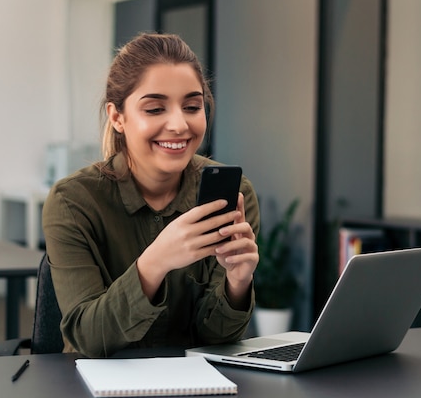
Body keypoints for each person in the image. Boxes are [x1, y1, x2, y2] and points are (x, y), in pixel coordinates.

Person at [42, 33, 260, 358]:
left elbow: (215, 340)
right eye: (155, 108)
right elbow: (88, 339)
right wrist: (155, 263)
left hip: (195, 388)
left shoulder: (236, 193)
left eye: (192, 106)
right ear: (117, 117)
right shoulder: (72, 202)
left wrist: (237, 284)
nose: (178, 124)